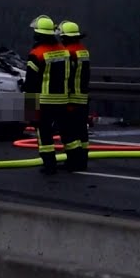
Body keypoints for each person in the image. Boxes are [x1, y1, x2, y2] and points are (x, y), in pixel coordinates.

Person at [23, 16, 71, 175]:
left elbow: (31, 84)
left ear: (38, 35)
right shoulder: (64, 52)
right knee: (66, 131)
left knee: (44, 134)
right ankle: (73, 160)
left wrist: (30, 112)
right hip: (63, 101)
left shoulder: (36, 54)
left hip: (44, 102)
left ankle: (50, 165)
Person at [60, 20, 91, 172]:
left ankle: (73, 161)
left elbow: (67, 77)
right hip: (83, 97)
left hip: (71, 98)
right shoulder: (83, 51)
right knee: (82, 131)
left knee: (69, 131)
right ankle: (83, 160)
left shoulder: (68, 53)